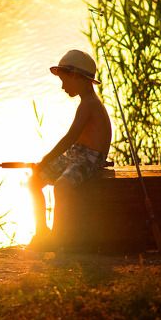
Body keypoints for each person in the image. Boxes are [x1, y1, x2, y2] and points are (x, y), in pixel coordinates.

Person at [27, 49, 112, 250]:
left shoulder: (89, 105)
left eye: (65, 80)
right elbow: (73, 144)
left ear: (77, 77)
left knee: (61, 186)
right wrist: (44, 165)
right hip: (77, 153)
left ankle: (59, 238)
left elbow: (70, 138)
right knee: (34, 181)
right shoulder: (85, 103)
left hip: (91, 158)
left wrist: (46, 159)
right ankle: (42, 233)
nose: (63, 86)